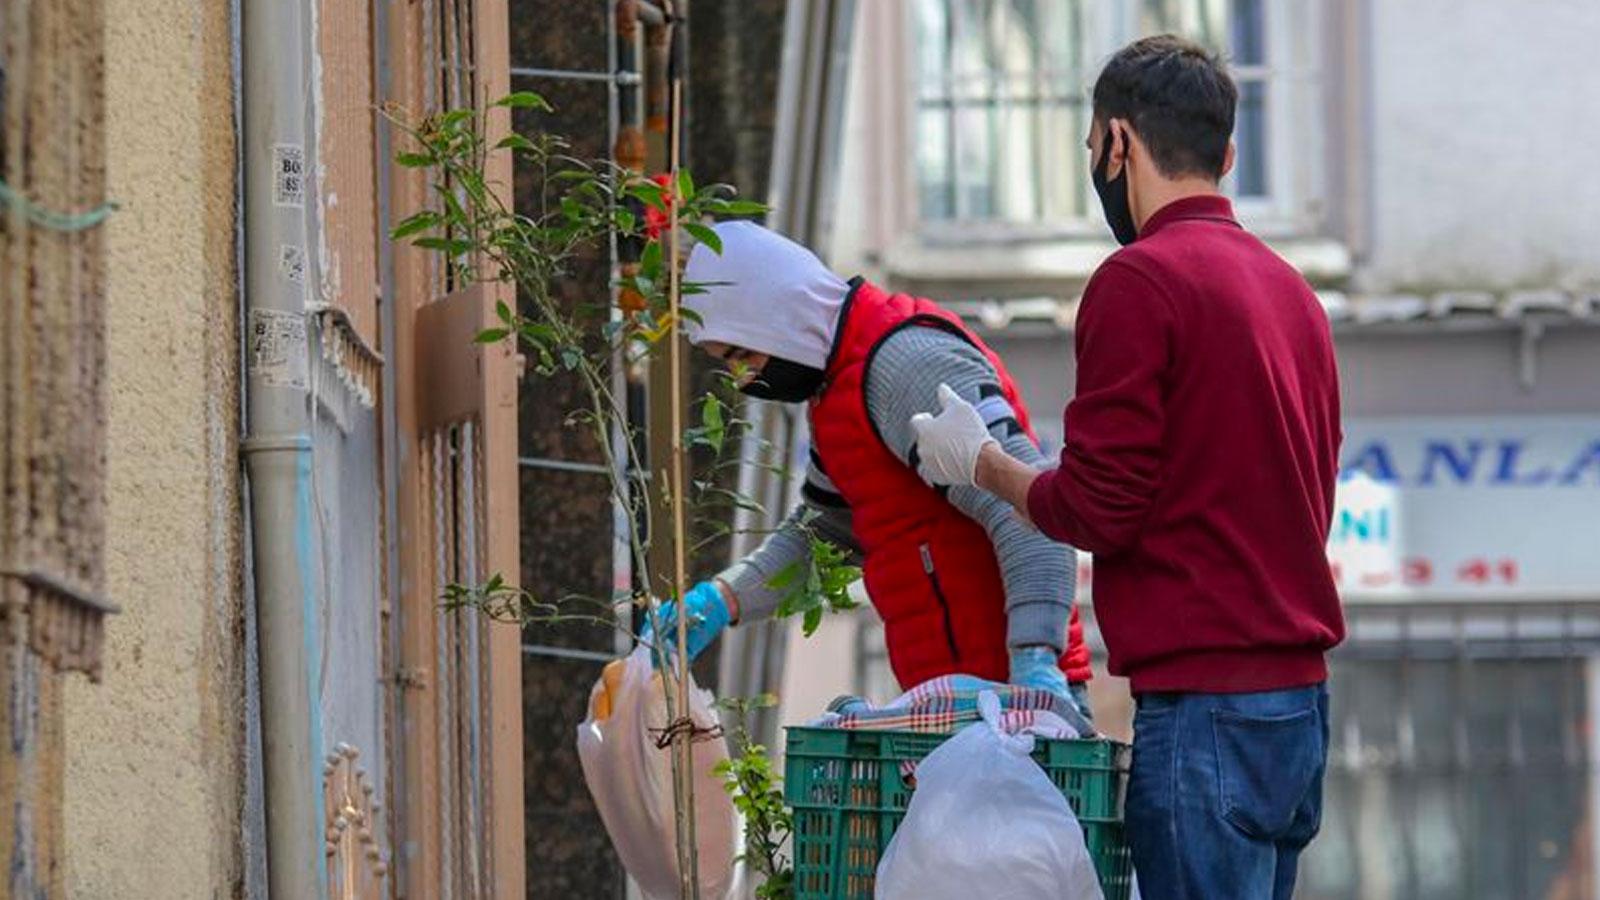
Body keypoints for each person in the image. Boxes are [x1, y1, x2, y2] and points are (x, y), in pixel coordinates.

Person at [909, 35, 1345, 900]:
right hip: (1296, 711)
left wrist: (984, 463)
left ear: (1117, 143)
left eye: (1091, 150)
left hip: (1204, 712)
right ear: (1226, 155)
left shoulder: (1139, 282)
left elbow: (1102, 507)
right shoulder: (1291, 289)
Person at [643, 219, 1093, 717]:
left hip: (1014, 703)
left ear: (781, 317)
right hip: (967, 703)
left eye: (743, 354)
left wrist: (1035, 660)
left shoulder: (905, 365)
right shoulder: (838, 391)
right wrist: (720, 599)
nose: (741, 377)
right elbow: (826, 536)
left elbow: (1027, 510)